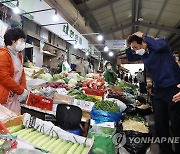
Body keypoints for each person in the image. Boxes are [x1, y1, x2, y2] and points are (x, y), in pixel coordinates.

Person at [126, 31, 180, 154]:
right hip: (159, 91)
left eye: (136, 47)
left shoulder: (161, 44)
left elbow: (158, 46)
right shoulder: (144, 54)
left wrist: (143, 36)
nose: (135, 50)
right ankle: (166, 151)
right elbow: (130, 57)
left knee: (176, 124)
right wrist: (127, 46)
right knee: (160, 125)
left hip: (174, 88)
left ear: (144, 42)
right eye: (133, 48)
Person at [0, 28, 28, 114]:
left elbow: (22, 74)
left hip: (15, 96)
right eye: (21, 40)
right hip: (4, 97)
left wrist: (24, 90)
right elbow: (4, 78)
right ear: (13, 40)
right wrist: (21, 90)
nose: (23, 43)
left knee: (15, 121)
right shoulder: (3, 55)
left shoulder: (19, 56)